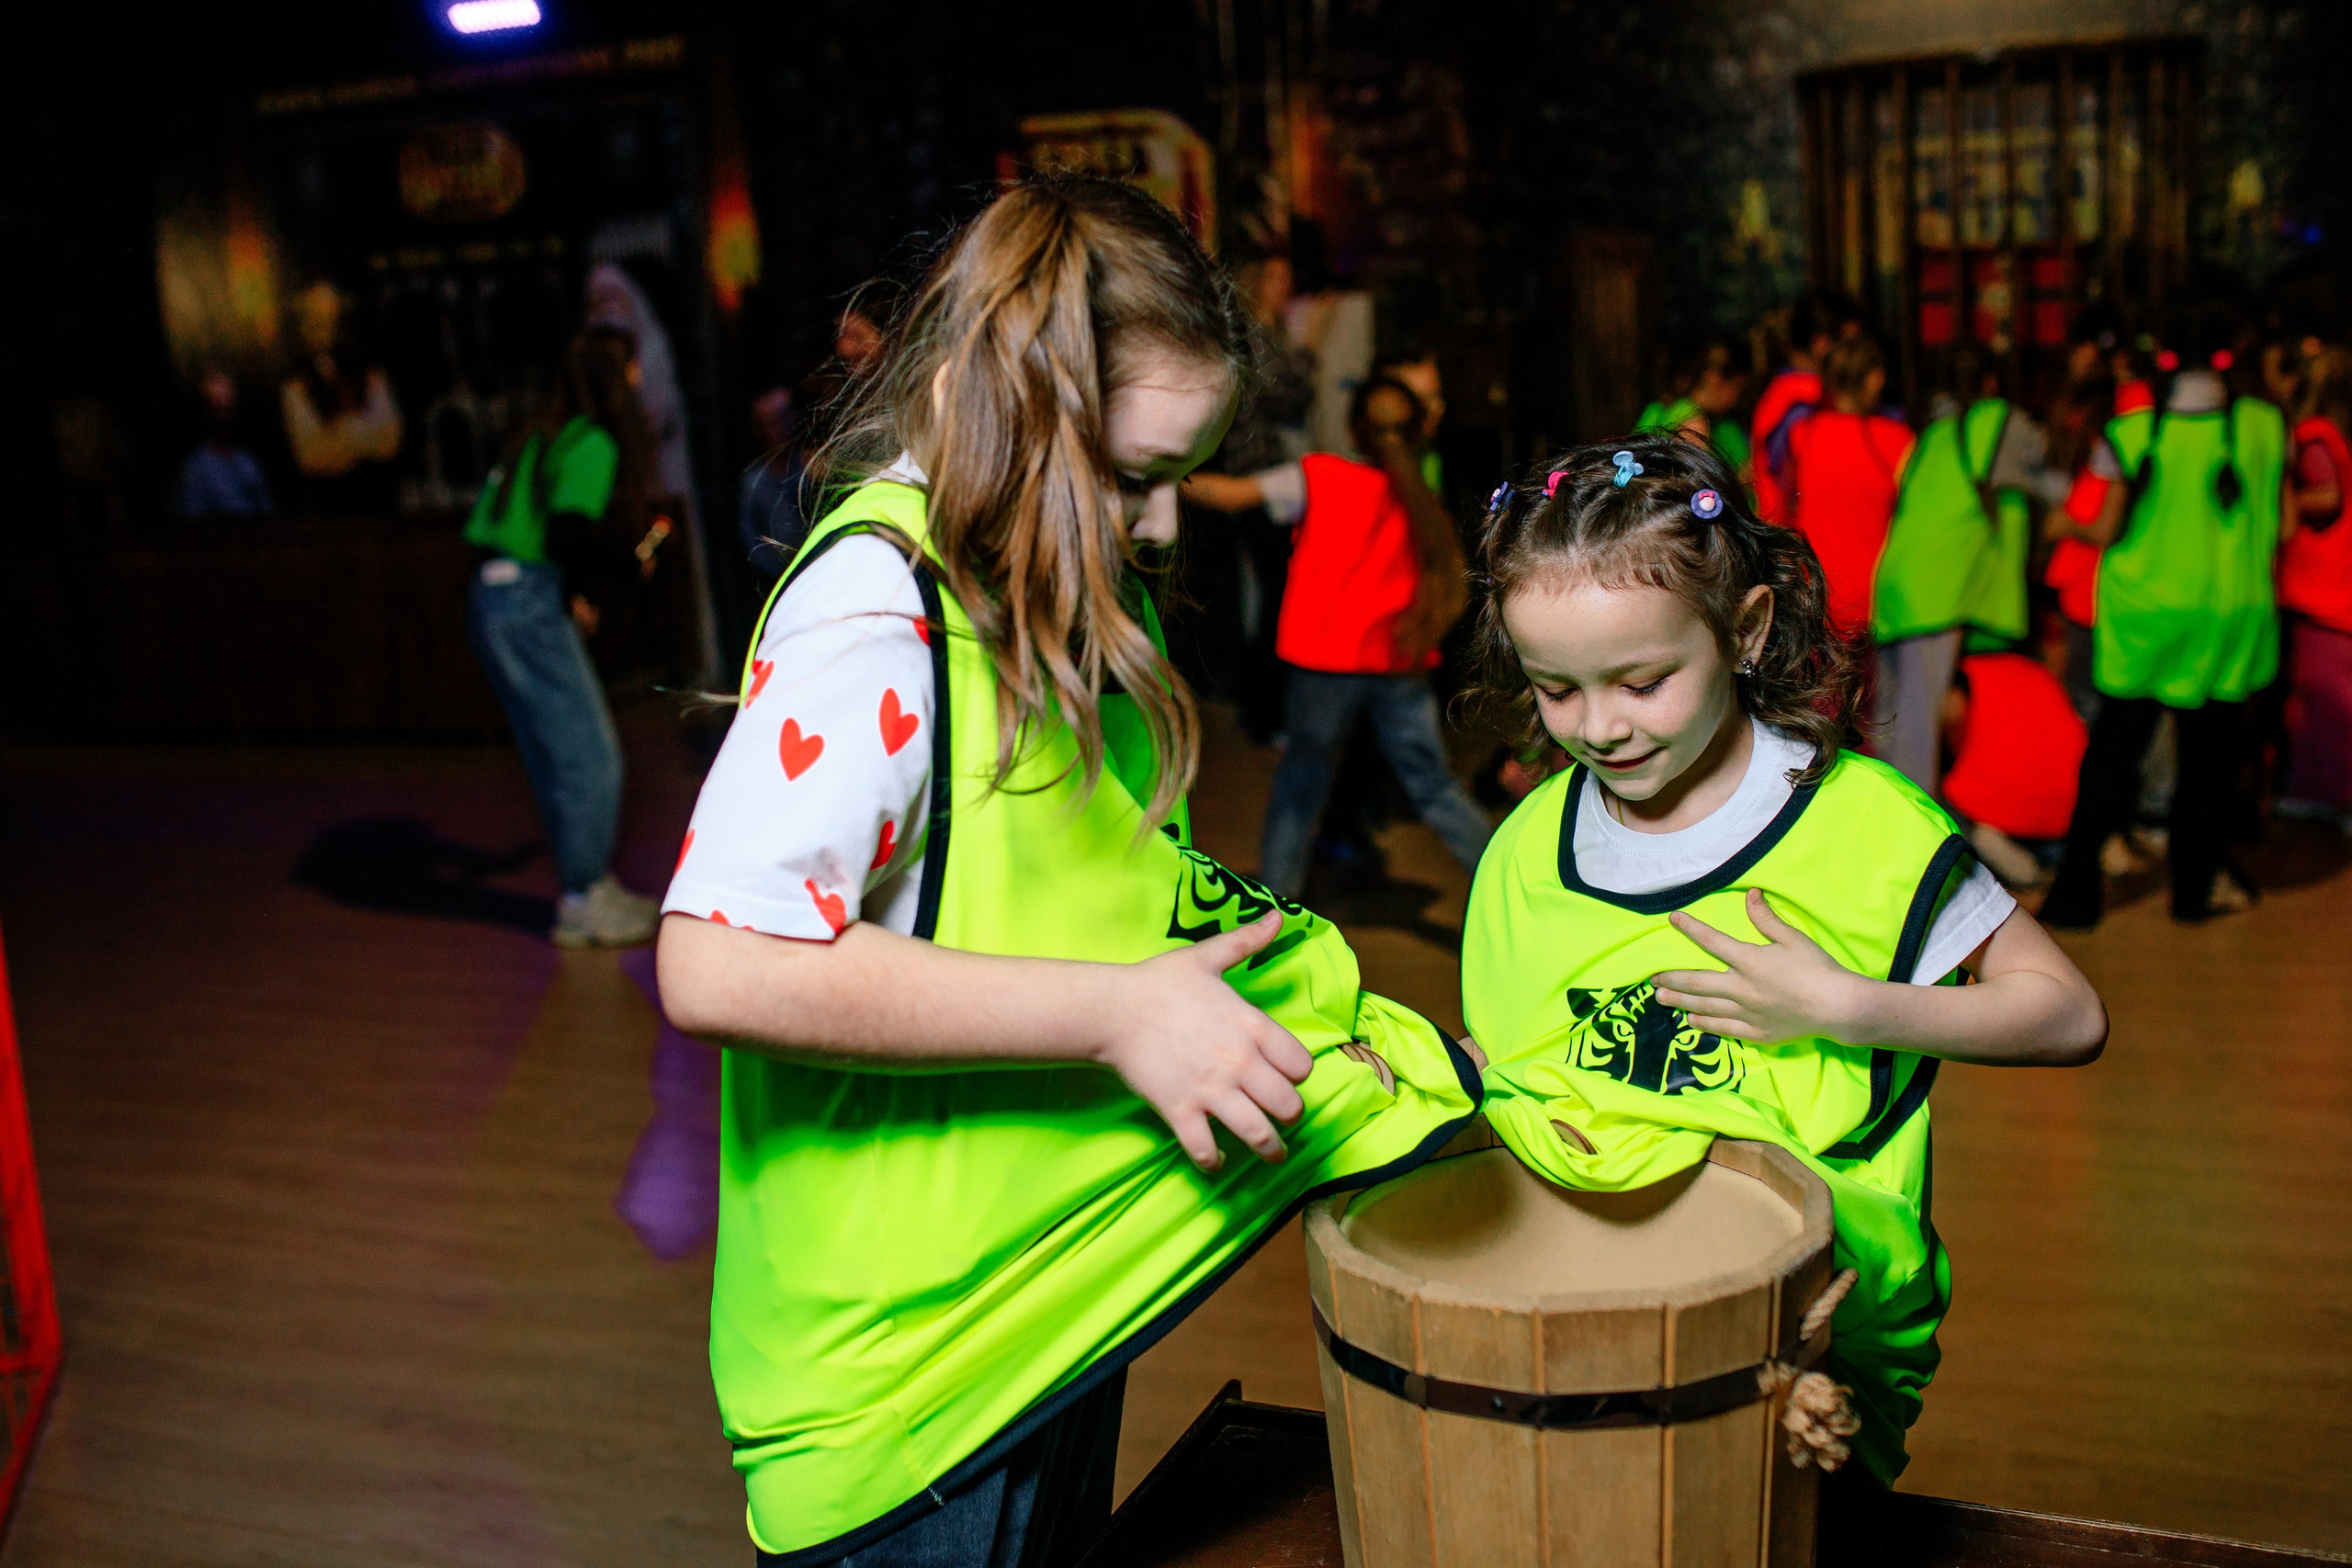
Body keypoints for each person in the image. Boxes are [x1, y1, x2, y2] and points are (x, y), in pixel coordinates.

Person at [652, 177, 1482, 1567]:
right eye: (1137, 475)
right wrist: (1117, 1012)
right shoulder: (877, 612)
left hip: (1037, 1313)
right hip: (914, 1391)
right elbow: (719, 956)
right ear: (1011, 406)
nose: (1160, 526)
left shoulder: (1014, 575)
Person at [1460, 432, 2105, 1488]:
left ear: (1744, 629)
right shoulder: (1530, 844)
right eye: (1557, 690)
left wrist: (1849, 1007)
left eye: (1641, 681)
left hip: (1810, 1329)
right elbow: (1519, 1063)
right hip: (1588, 1314)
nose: (1601, 729)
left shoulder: (1863, 825)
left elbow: (2068, 1016)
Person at [1183, 376, 1493, 898]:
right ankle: (1509, 885)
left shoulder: (1319, 476)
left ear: (1354, 430)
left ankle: (1276, 907)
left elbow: (1231, 496)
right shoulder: (1422, 496)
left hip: (1325, 664)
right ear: (1416, 432)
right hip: (1399, 665)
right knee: (1434, 786)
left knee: (1301, 784)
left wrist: (1161, 473)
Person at [2041, 302, 2288, 928]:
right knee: (2209, 766)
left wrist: (2062, 521)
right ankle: (2192, 892)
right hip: (2229, 618)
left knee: (2111, 758)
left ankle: (2074, 896)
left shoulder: (2130, 433)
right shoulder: (2265, 425)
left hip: (2144, 620)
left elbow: (2105, 527)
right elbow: (2283, 524)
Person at [463, 326, 662, 949]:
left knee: (555, 756)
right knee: (591, 755)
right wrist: (633, 560)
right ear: (619, 375)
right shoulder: (592, 442)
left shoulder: (538, 432)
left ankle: (584, 887)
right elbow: (570, 536)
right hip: (526, 599)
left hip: (493, 596)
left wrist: (568, 592)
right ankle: (585, 898)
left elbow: (522, 530)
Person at [1871, 349, 2064, 795]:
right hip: (1938, 590)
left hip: (1896, 587)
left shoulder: (1930, 437)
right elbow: (2048, 477)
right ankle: (1922, 851)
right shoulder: (1994, 422)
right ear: (1992, 384)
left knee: (1898, 729)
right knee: (1919, 737)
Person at [586, 263, 720, 683]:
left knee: (667, 557)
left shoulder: (651, 352)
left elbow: (655, 419)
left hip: (662, 486)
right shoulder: (593, 358)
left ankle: (691, 660)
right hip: (618, 491)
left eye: (614, 299)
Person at [1786, 334, 1914, 638]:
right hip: (1878, 601)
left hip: (1815, 595)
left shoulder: (1802, 435)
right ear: (1874, 379)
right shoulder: (1898, 441)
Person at [2276, 346, 2352, 824]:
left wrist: (2280, 501)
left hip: (2322, 594)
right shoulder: (2341, 436)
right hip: (2338, 591)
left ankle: (2329, 792)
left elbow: (2327, 496)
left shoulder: (2314, 435)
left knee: (2325, 706)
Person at [1939, 652, 2089, 886]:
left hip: (2002, 824)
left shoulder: (1959, 686)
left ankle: (2024, 874)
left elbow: (1950, 712)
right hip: (2072, 817)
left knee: (1945, 812)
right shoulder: (2032, 670)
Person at [280, 280, 401, 512]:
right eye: (316, 320)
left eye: (330, 319)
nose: (325, 328)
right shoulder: (295, 383)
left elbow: (390, 440)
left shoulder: (369, 372)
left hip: (377, 501)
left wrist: (343, 433)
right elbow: (310, 457)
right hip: (327, 507)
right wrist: (360, 435)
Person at [1751, 294, 1861, 523]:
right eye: (1851, 346)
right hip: (1795, 540)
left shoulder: (1783, 391)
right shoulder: (1805, 402)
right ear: (1821, 344)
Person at [1637, 335, 1752, 483]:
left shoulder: (1655, 409)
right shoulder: (1693, 421)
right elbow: (1698, 486)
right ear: (1715, 378)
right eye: (1737, 388)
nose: (1736, 400)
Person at [737, 385, 809, 595]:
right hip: (780, 586)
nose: (779, 429)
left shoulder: (811, 469)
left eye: (784, 418)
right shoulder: (753, 485)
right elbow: (753, 546)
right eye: (771, 423)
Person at [179, 369, 274, 520]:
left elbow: (268, 509)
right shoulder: (196, 469)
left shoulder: (247, 460)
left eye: (228, 406)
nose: (224, 416)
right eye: (217, 408)